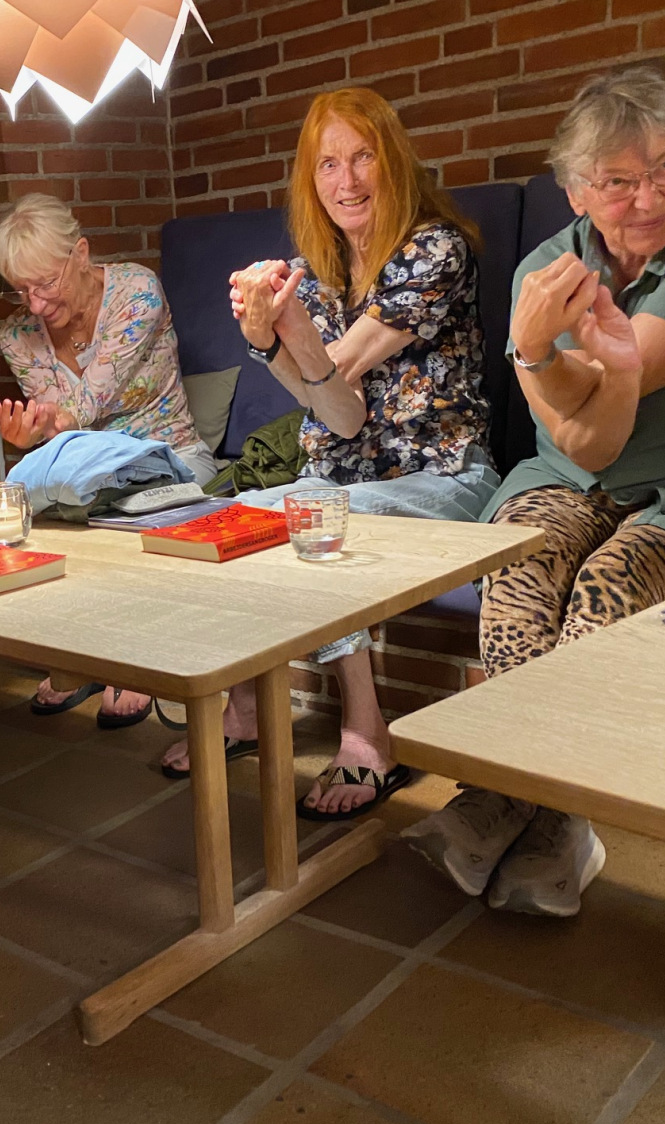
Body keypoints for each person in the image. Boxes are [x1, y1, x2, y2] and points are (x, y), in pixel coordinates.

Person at [403, 66, 665, 917]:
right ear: (574, 191)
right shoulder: (546, 267)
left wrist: (536, 354)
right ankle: (528, 802)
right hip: (569, 478)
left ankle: (541, 810)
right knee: (518, 568)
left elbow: (607, 409)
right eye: (619, 181)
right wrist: (540, 360)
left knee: (608, 586)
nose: (649, 198)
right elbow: (573, 442)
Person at [158, 87, 497, 821]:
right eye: (327, 164)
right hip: (341, 474)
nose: (346, 181)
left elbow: (337, 368)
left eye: (362, 157)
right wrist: (269, 337)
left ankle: (367, 731)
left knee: (312, 517)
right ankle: (245, 707)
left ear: (393, 160)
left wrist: (281, 337)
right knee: (235, 516)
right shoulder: (316, 272)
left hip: (441, 476)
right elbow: (340, 415)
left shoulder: (434, 250)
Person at [0, 192, 217, 728]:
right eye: (21, 289)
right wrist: (29, 436)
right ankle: (78, 653)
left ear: (82, 254)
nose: (35, 305)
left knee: (121, 512)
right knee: (21, 510)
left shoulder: (136, 292)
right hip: (84, 471)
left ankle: (132, 659)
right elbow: (58, 427)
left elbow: (87, 401)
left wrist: (49, 426)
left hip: (171, 458)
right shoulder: (17, 335)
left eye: (46, 284)